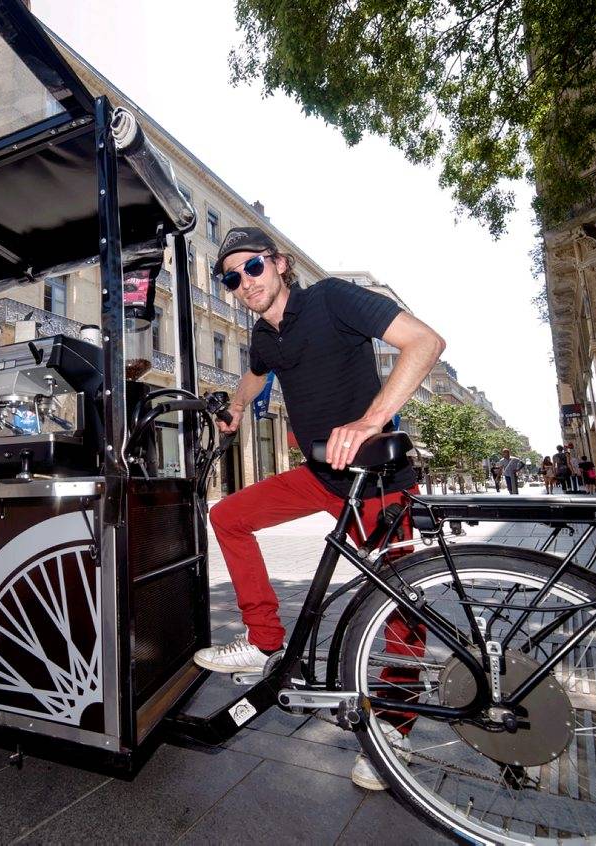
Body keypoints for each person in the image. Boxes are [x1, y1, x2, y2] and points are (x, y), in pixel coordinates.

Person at [191, 227, 446, 791]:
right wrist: (236, 408)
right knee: (228, 517)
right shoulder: (264, 335)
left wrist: (371, 421)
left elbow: (425, 342)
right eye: (231, 278)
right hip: (320, 477)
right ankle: (264, 641)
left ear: (280, 264)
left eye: (252, 267)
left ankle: (395, 728)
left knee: (399, 606)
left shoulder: (331, 298)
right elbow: (254, 377)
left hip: (377, 481)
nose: (243, 282)